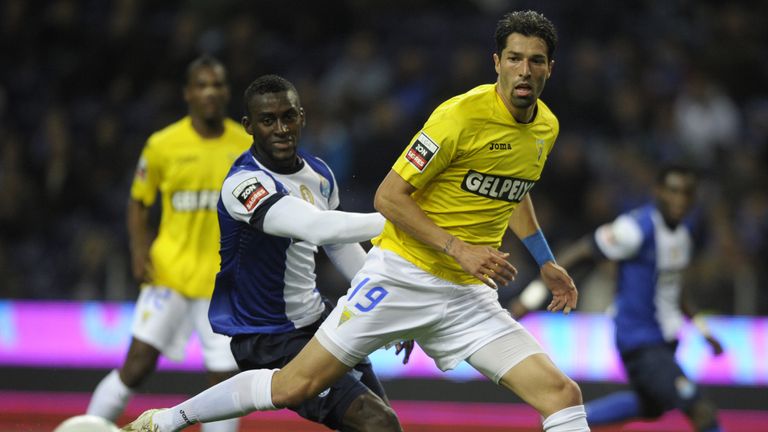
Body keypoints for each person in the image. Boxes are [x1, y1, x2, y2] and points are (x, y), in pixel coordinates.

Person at [123, 10, 589, 432]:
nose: (524, 70)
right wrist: (458, 247)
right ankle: (167, 420)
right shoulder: (458, 118)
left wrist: (545, 261)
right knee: (292, 387)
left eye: (536, 60)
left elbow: (515, 188)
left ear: (550, 67)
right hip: (404, 275)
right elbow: (389, 197)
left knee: (562, 396)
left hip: (468, 294)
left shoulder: (546, 128)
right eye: (514, 58)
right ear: (496, 62)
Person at [87, 56, 250, 432]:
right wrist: (139, 249)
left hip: (221, 283)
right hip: (169, 274)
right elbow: (138, 201)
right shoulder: (162, 145)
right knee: (137, 365)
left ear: (227, 92)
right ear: (187, 93)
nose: (210, 91)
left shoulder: (245, 146)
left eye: (217, 84)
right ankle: (88, 428)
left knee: (223, 378)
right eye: (202, 84)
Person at [509, 164, 725, 432]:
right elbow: (579, 255)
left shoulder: (682, 236)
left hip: (664, 340)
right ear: (658, 191)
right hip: (640, 340)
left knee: (651, 406)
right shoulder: (635, 228)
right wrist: (529, 301)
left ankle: (568, 421)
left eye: (686, 193)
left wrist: (703, 330)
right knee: (700, 410)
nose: (679, 199)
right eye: (673, 191)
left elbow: (677, 292)